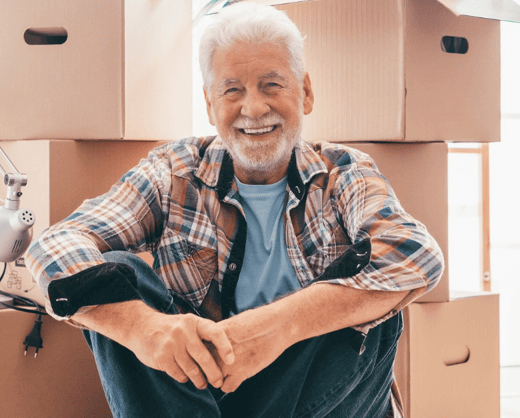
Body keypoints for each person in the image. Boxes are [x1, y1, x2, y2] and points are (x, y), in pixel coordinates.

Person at [25, 2, 444, 417]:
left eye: (271, 85)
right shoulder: (174, 172)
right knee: (118, 270)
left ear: (307, 92)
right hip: (207, 400)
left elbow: (416, 253)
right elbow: (55, 245)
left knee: (379, 297)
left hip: (321, 399)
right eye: (232, 90)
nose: (254, 108)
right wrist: (143, 329)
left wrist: (276, 329)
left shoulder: (344, 172)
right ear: (210, 105)